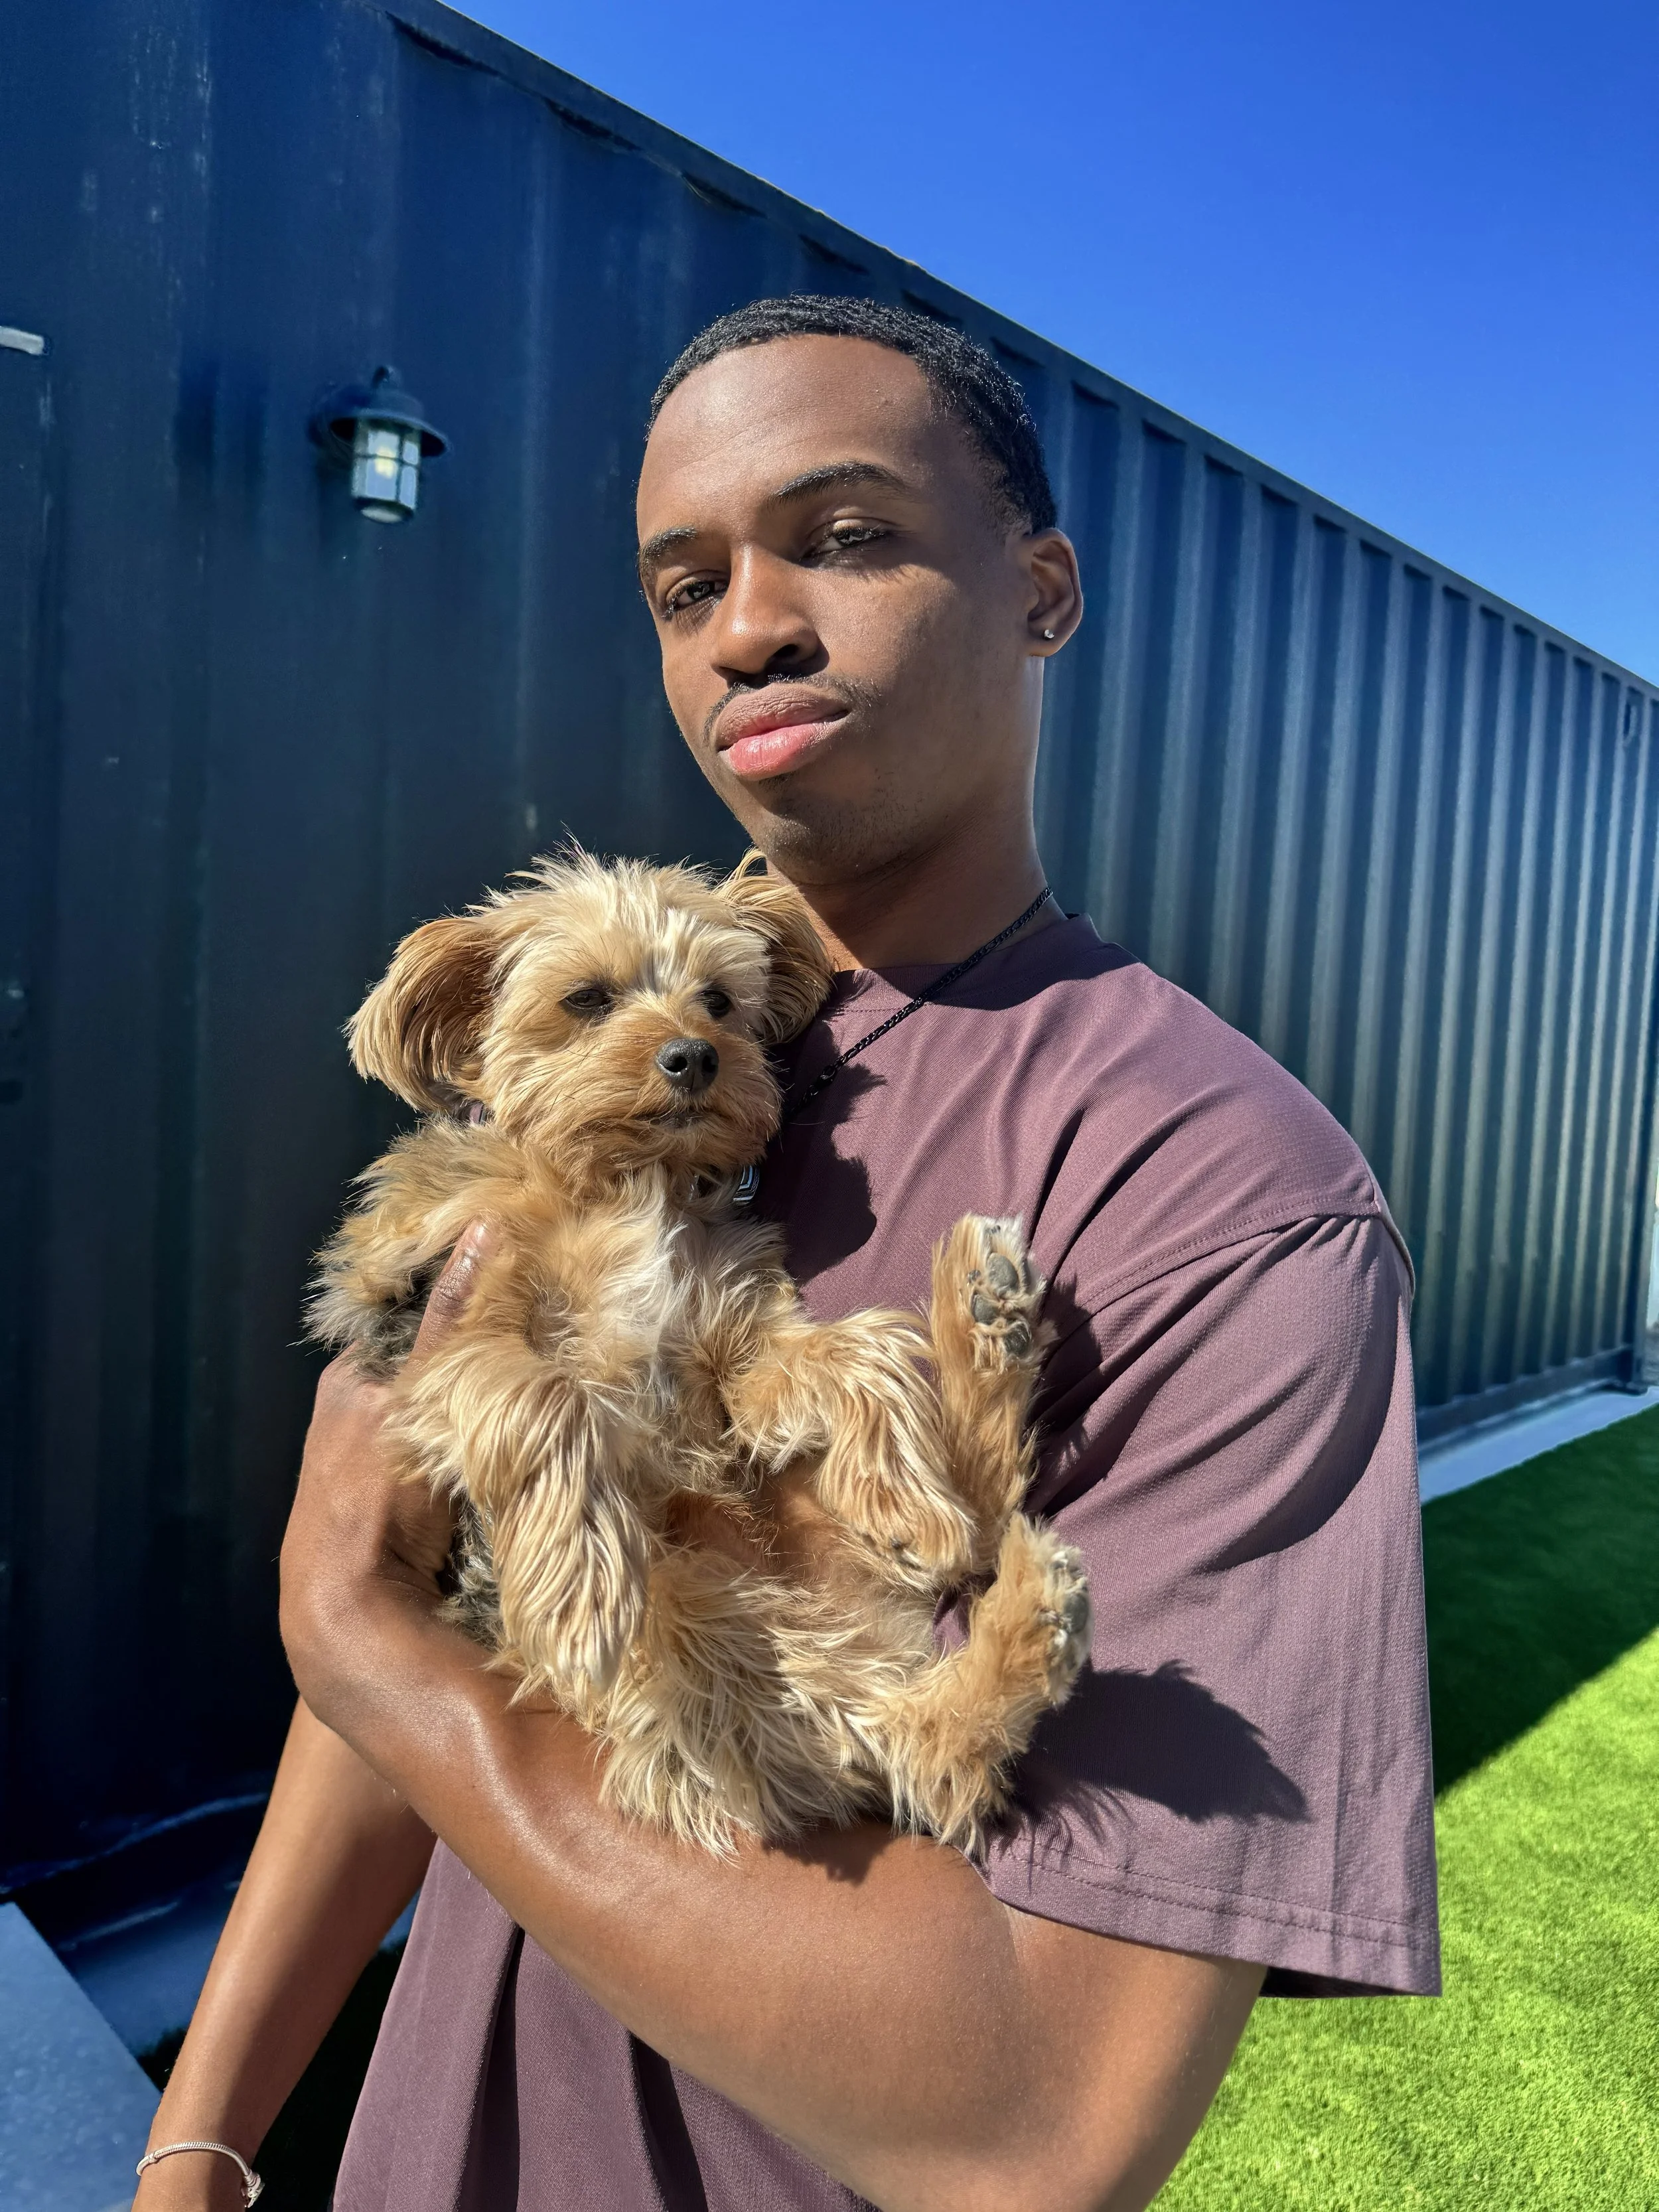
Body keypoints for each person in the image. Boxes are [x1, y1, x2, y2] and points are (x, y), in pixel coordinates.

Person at [134, 297, 1438, 2212]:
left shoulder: (1212, 1197)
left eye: (842, 537)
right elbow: (415, 1601)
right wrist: (207, 2131)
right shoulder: (595, 1057)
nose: (745, 623)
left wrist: (382, 1655)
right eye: (683, 584)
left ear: (1041, 588)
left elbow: (1037, 2125)